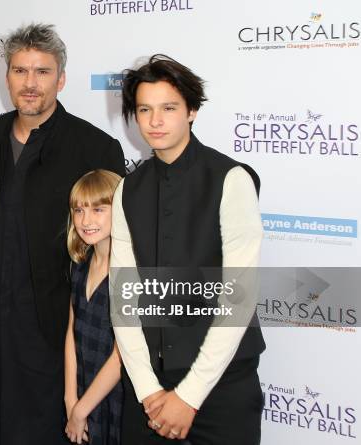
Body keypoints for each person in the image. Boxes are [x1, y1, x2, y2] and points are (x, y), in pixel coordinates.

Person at [0, 24, 125, 445]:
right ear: (6, 76)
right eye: (19, 71)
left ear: (61, 79)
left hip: (51, 325)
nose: (30, 84)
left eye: (42, 72)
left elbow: (115, 241)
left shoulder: (94, 146)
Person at [110, 54, 265, 444]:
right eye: (145, 109)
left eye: (169, 108)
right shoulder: (128, 189)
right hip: (149, 390)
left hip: (221, 389)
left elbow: (239, 299)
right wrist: (147, 390)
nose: (155, 121)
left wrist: (189, 397)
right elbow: (123, 299)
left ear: (192, 111)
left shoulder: (231, 179)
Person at [64, 170, 124, 445]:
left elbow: (121, 355)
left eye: (98, 209)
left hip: (115, 399)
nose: (86, 221)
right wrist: (70, 398)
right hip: (81, 393)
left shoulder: (129, 272)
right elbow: (71, 332)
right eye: (79, 210)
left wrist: (82, 408)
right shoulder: (80, 264)